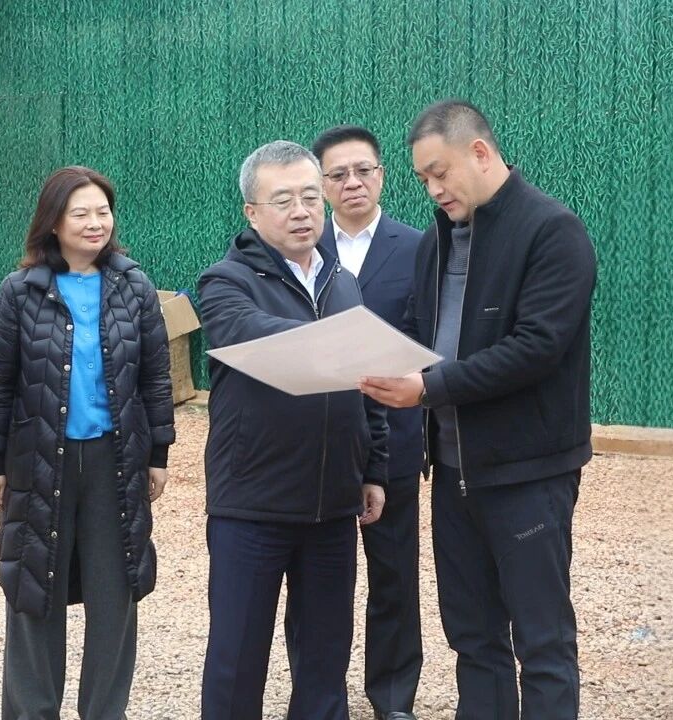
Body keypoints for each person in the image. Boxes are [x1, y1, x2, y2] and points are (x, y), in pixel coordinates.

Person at [360, 100, 597, 720]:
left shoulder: (553, 232)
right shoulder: (435, 244)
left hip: (527, 473)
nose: (433, 190)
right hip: (452, 471)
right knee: (473, 636)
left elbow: (536, 348)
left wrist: (428, 389)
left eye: (440, 173)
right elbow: (421, 337)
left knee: (541, 640)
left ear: (481, 152)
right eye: (422, 179)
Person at [0, 166, 175, 720]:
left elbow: (156, 377)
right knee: (33, 587)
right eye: (80, 213)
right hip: (38, 460)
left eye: (102, 212)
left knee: (117, 591)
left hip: (116, 460)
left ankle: (105, 711)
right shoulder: (19, 291)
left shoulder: (134, 286)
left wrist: (158, 454)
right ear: (53, 223)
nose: (95, 223)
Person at [198, 140, 389, 720]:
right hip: (252, 504)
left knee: (326, 662)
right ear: (252, 213)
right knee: (238, 660)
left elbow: (368, 381)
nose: (302, 212)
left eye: (310, 197)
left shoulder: (342, 281)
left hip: (332, 504)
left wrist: (373, 468)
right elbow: (248, 333)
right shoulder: (225, 282)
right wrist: (334, 339)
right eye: (283, 201)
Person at [283, 124, 424, 720]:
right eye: (337, 175)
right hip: (319, 443)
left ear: (382, 175)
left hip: (397, 436)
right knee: (313, 582)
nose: (352, 183)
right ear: (321, 185)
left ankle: (392, 697)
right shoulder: (300, 249)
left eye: (363, 170)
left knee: (393, 575)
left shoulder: (419, 247)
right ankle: (317, 694)